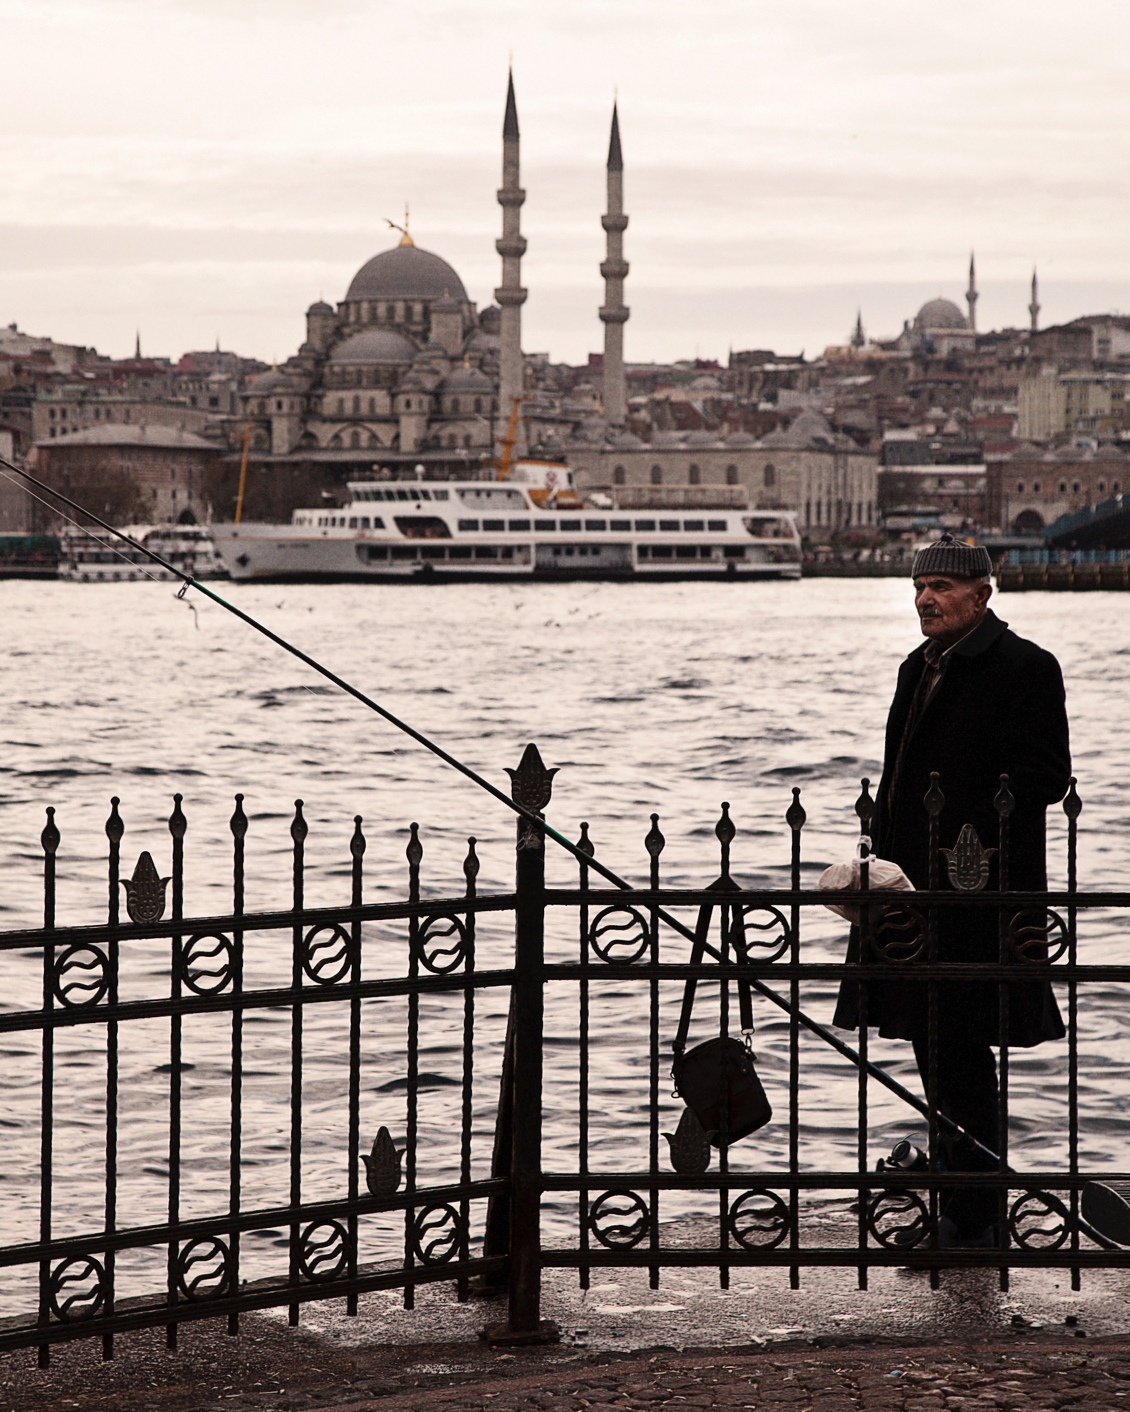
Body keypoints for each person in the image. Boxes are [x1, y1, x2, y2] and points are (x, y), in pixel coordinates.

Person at [834, 533, 1071, 1246]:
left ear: (982, 594)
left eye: (941, 587)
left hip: (980, 894)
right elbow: (902, 776)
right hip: (911, 893)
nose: (926, 599)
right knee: (932, 1046)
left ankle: (974, 1217)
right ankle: (961, 1198)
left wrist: (964, 833)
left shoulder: (1024, 666)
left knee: (962, 1047)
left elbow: (1044, 778)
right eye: (918, 588)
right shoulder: (919, 668)